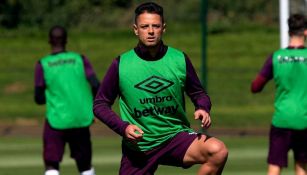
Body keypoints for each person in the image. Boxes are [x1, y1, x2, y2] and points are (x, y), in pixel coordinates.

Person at [93, 2, 228, 175]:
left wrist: (202, 107)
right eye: (145, 26)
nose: (150, 31)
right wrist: (124, 127)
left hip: (175, 137)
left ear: (163, 28)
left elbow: (198, 93)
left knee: (217, 151)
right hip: (139, 147)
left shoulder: (178, 59)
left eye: (155, 26)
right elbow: (100, 105)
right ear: (135, 29)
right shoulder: (121, 64)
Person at [34, 25, 100, 175]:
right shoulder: (80, 59)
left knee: (51, 164)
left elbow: (38, 98)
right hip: (80, 119)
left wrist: (54, 97)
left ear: (50, 40)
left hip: (56, 120)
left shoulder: (43, 64)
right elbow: (96, 85)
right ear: (66, 40)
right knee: (85, 165)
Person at [251, 14, 307, 175]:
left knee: (275, 167)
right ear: (305, 32)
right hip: (304, 120)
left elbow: (255, 86)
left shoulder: (276, 57)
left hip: (282, 120)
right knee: (301, 166)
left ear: (289, 32)